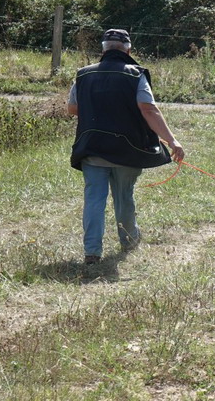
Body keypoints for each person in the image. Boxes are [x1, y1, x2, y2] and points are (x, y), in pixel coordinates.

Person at [67, 28, 185, 269]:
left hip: (91, 148)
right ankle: (129, 242)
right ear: (128, 50)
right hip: (127, 150)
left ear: (103, 49)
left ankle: (92, 252)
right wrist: (172, 141)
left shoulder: (83, 74)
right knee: (123, 197)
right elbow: (148, 109)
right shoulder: (135, 74)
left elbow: (72, 108)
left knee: (94, 200)